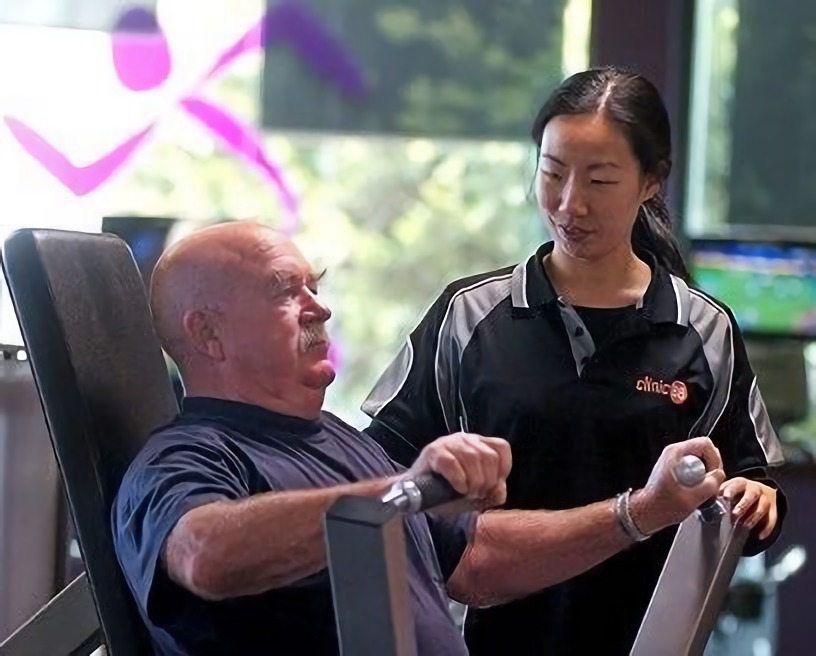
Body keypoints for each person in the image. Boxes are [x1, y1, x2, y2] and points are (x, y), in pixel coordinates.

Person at [111, 220, 729, 655]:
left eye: (314, 287)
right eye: (283, 291)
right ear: (208, 334)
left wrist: (641, 511)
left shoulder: (340, 443)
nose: (317, 309)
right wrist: (405, 489)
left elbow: (477, 561)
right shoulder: (184, 457)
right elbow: (203, 556)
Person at [362, 66, 788, 656]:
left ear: (650, 182)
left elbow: (750, 478)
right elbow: (377, 469)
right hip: (479, 639)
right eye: (553, 173)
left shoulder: (703, 328)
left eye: (600, 180)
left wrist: (755, 502)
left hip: (647, 639)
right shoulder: (469, 314)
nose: (570, 204)